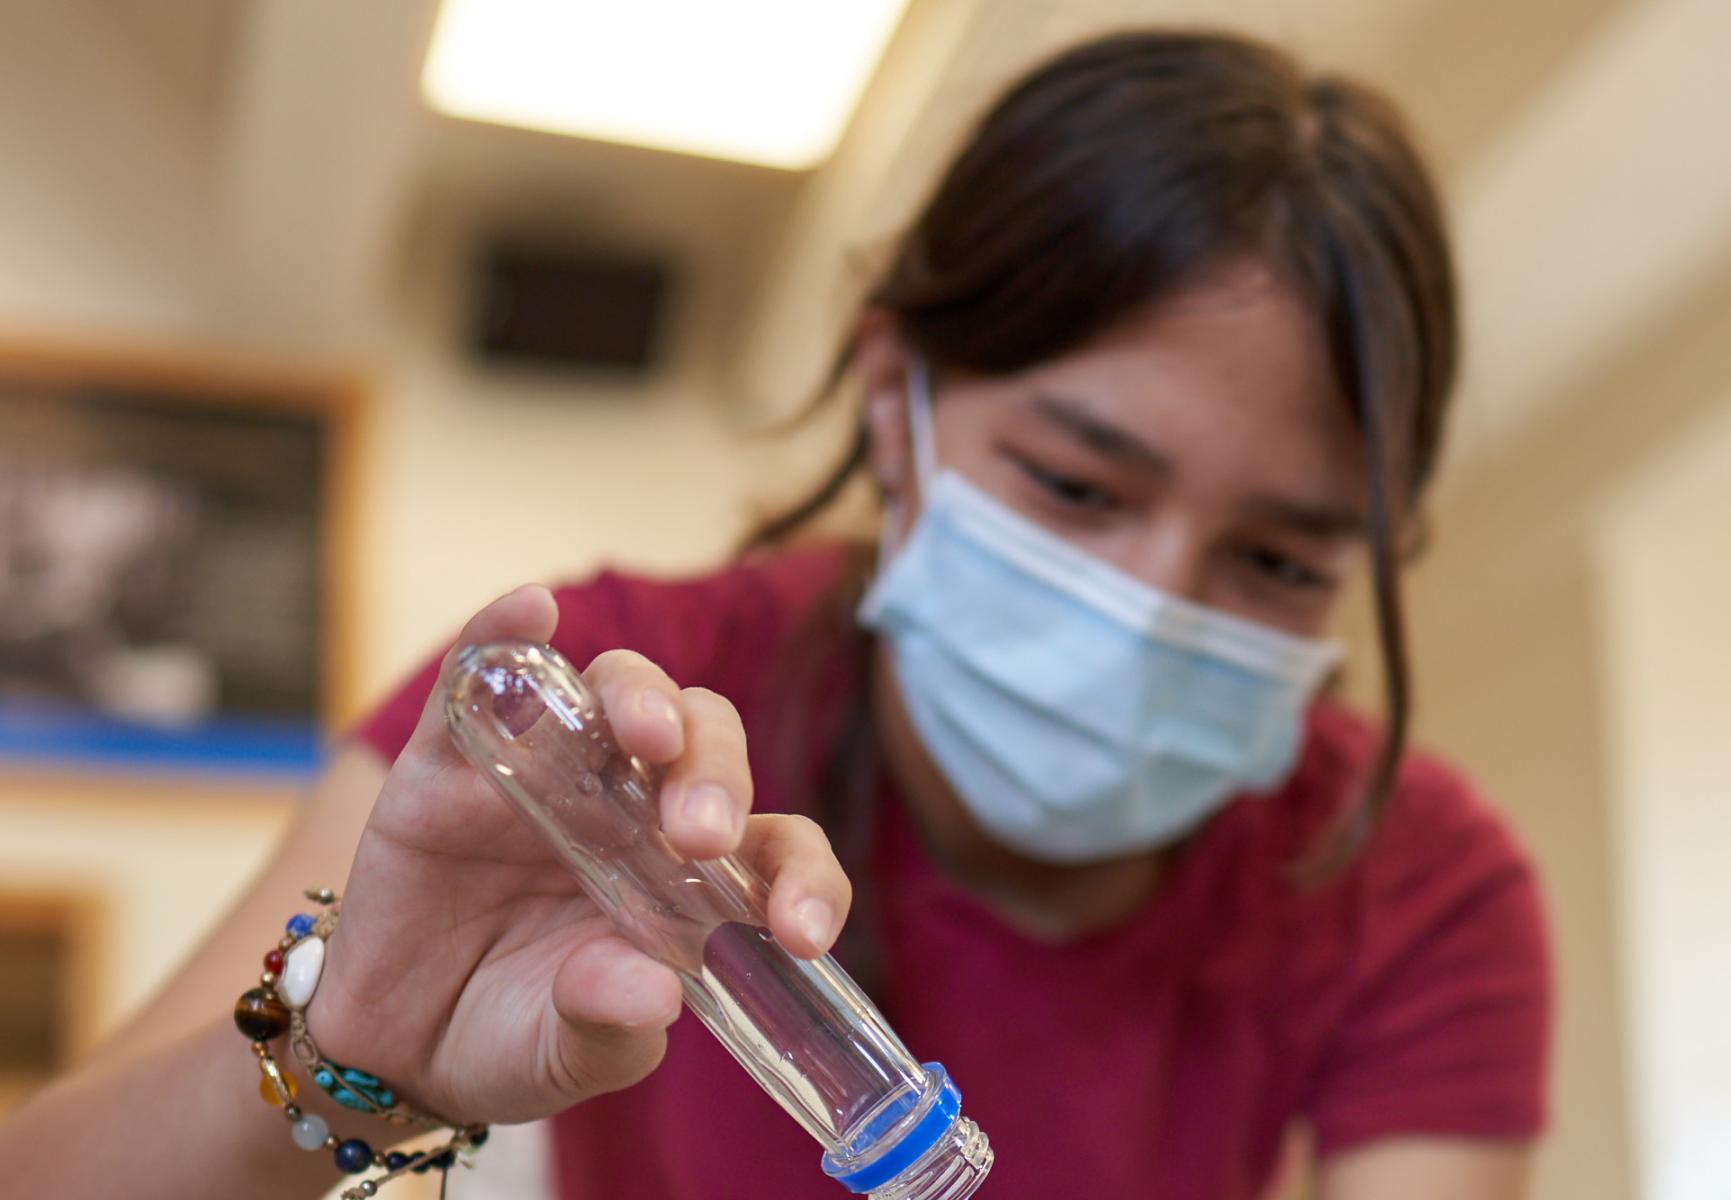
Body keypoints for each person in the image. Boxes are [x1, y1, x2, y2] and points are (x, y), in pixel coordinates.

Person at [1, 29, 1549, 1200]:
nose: (1150, 607)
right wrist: (365, 1055)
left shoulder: (1414, 882)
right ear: (898, 404)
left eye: (1279, 563)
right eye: (1080, 488)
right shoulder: (602, 716)